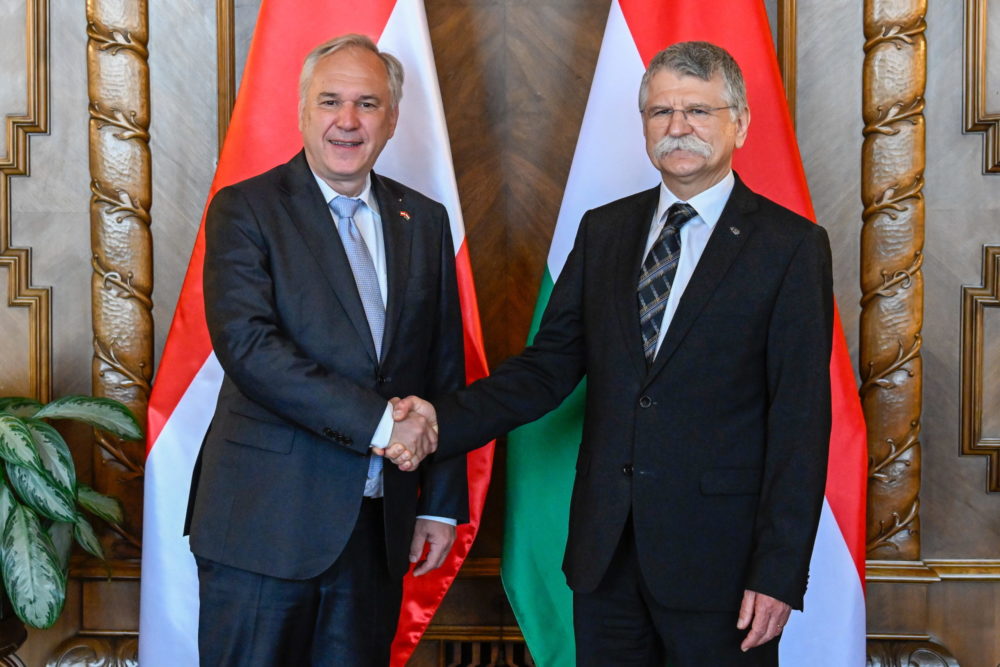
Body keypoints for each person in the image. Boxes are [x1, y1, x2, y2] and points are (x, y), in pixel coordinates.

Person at [390, 41, 833, 666]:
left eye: (698, 111)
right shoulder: (605, 230)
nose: (678, 126)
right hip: (605, 560)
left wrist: (779, 571)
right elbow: (546, 370)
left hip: (722, 567)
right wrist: (439, 419)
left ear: (740, 123)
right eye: (661, 112)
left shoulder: (790, 247)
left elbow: (800, 423)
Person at [184, 33, 468, 666]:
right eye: (330, 101)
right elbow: (251, 349)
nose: (347, 121)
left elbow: (442, 367)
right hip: (263, 527)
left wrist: (442, 506)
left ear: (392, 119)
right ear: (302, 110)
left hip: (376, 531)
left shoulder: (423, 220)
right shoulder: (246, 209)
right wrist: (382, 424)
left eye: (367, 104)